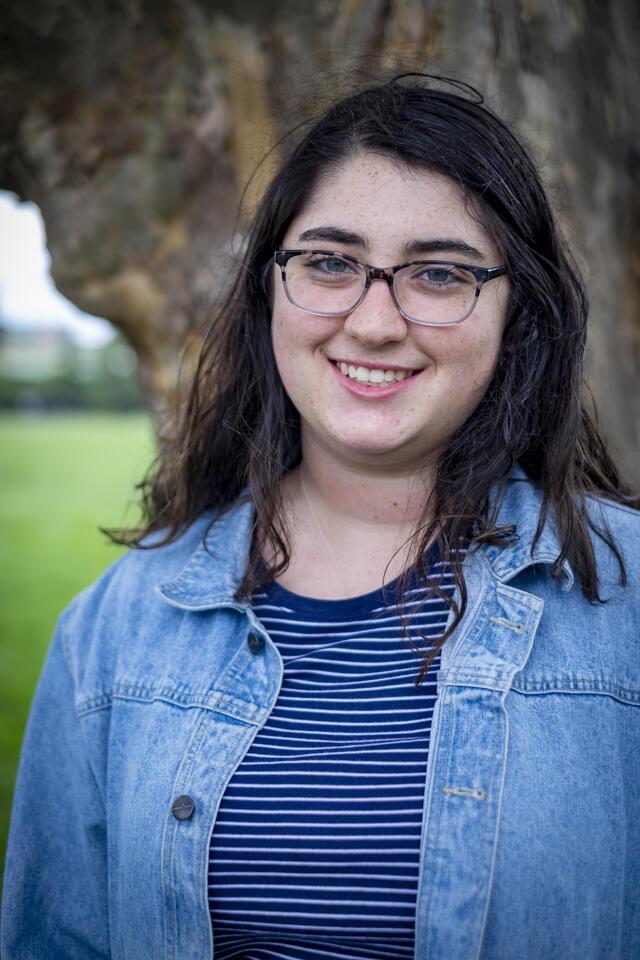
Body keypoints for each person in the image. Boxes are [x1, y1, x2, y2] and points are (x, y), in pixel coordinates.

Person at [2, 72, 639, 960]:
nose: (374, 321)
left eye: (439, 273)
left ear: (516, 311)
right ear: (271, 288)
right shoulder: (116, 630)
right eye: (332, 261)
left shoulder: (627, 607)